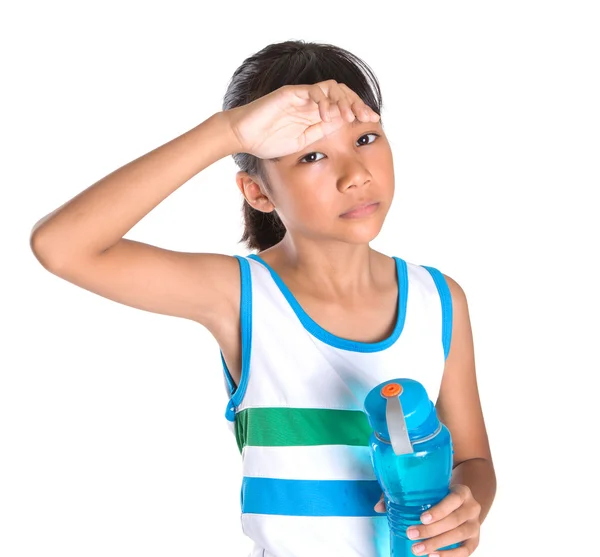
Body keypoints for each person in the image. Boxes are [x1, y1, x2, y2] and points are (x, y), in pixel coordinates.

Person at [30, 40, 496, 556]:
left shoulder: (440, 298)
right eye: (313, 155)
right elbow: (62, 247)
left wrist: (465, 508)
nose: (355, 175)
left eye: (366, 138)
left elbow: (471, 461)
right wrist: (227, 132)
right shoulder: (242, 296)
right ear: (258, 193)